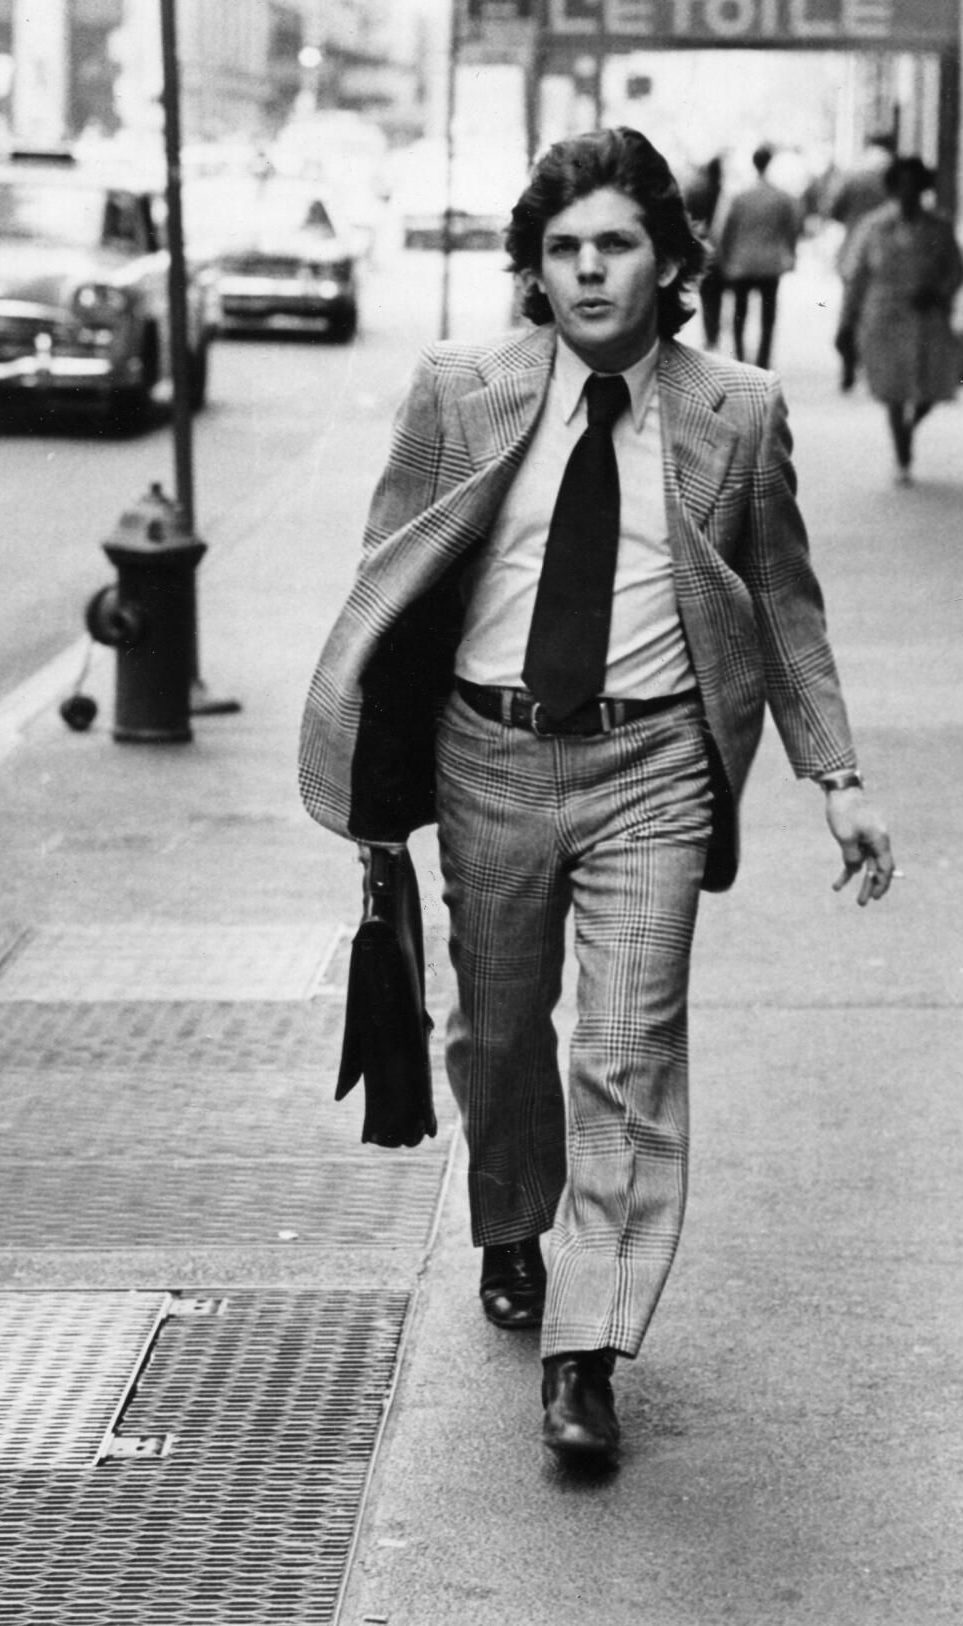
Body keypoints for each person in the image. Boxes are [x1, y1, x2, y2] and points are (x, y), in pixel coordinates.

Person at [299, 127, 895, 1468]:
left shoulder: (737, 411)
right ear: (533, 267)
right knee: (502, 1030)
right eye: (562, 249)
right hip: (486, 753)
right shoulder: (457, 390)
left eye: (615, 244)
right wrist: (371, 773)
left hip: (656, 767)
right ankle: (510, 1210)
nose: (587, 272)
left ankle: (587, 1347)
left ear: (671, 260)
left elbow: (783, 605)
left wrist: (837, 776)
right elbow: (389, 583)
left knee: (629, 1055)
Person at [837, 156, 963, 482]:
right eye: (902, 184)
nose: (908, 191)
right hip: (883, 314)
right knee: (892, 388)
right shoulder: (873, 226)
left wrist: (939, 291)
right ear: (893, 187)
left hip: (928, 314)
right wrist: (846, 320)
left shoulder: (939, 226)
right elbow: (855, 275)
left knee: (933, 385)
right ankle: (902, 453)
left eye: (915, 184)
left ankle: (910, 426)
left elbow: (957, 270)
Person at [716, 143, 801, 368]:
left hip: (741, 263)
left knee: (739, 314)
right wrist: (791, 256)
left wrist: (724, 258)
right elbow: (791, 230)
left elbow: (723, 230)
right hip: (770, 264)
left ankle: (740, 356)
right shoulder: (781, 197)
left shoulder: (739, 196)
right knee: (767, 316)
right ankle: (763, 360)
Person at [828, 130, 897, 388]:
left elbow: (833, 209)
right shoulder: (894, 174)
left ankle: (848, 364)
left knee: (851, 310)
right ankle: (875, 367)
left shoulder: (853, 173)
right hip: (888, 253)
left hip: (854, 250)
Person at [682, 152, 727, 349]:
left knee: (707, 295)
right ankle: (715, 334)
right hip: (722, 251)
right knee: (718, 296)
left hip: (703, 248)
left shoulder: (695, 192)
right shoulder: (724, 193)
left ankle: (710, 335)